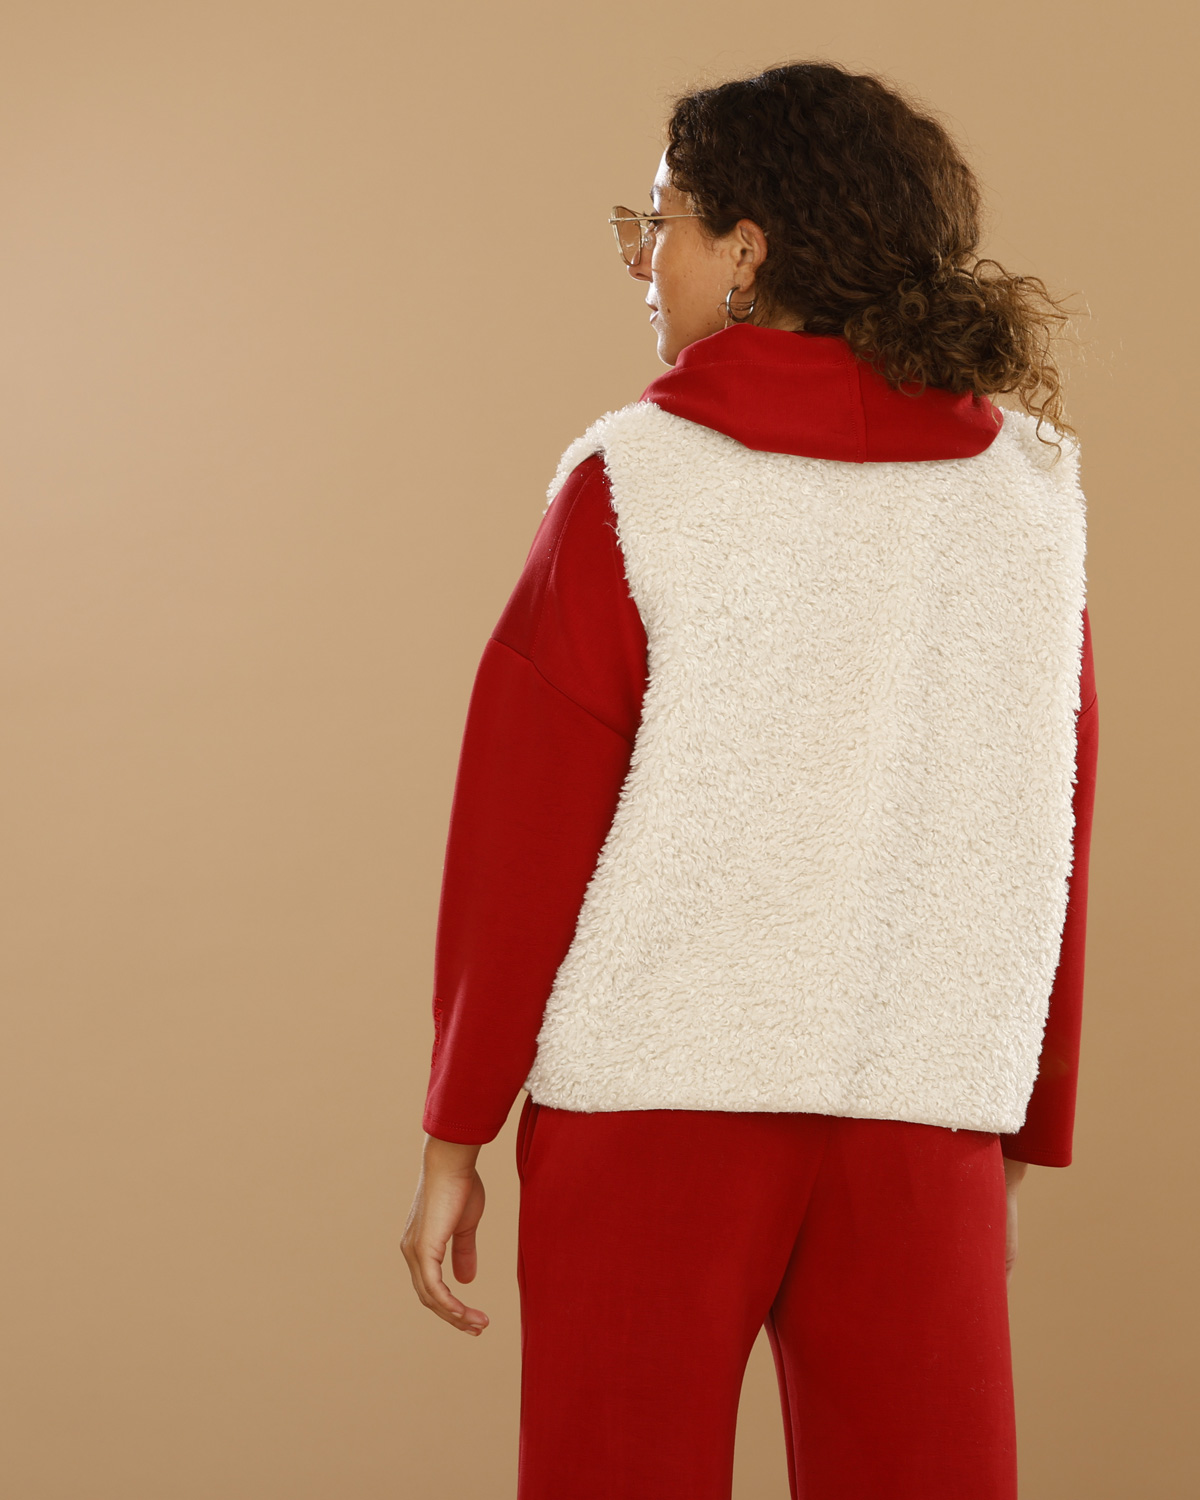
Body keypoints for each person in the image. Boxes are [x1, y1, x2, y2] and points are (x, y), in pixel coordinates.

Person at [402, 60, 1099, 1500]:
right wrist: (1022, 1121)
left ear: (747, 249)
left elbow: (525, 823)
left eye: (658, 222)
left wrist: (456, 1126)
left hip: (654, 1096)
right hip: (922, 1102)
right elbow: (1052, 819)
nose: (642, 261)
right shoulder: (1031, 493)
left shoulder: (635, 480)